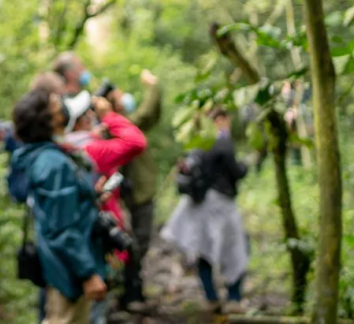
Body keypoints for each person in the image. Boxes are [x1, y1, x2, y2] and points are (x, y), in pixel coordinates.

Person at [10, 89, 109, 324]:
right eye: (55, 104)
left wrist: (87, 196)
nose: (62, 106)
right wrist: (88, 273)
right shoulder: (53, 164)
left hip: (64, 265)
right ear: (48, 119)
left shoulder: (48, 156)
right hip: (67, 271)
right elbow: (62, 229)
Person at [60, 90, 147, 324]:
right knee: (94, 309)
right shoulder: (92, 151)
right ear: (81, 121)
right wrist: (109, 115)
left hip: (77, 237)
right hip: (96, 235)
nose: (93, 116)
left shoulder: (70, 148)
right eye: (88, 113)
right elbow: (136, 142)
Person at [160, 107, 249, 314]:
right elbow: (235, 171)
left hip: (202, 206)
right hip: (221, 205)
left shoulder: (197, 143)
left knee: (204, 250)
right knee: (235, 249)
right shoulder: (222, 142)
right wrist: (245, 166)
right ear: (220, 119)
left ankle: (211, 297)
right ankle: (233, 297)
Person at [107, 70, 162, 312]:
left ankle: (132, 290)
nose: (124, 97)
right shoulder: (121, 126)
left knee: (138, 241)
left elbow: (152, 116)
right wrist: (153, 86)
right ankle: (130, 292)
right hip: (134, 195)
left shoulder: (124, 124)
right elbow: (148, 112)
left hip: (137, 192)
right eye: (118, 96)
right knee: (136, 241)